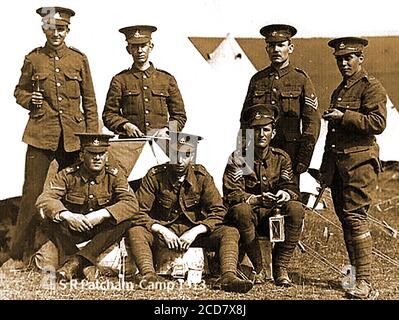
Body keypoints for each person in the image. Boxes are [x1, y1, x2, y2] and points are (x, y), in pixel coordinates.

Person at [6, 6, 99, 268]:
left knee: (74, 193)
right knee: (31, 195)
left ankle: (72, 255)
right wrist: (28, 99)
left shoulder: (78, 59)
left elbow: (90, 102)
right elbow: (19, 91)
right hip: (40, 135)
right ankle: (17, 256)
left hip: (73, 138)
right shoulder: (34, 59)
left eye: (61, 29)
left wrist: (91, 141)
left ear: (68, 30)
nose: (55, 33)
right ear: (43, 29)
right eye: (51, 28)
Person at [127, 132, 253, 293]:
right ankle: (149, 276)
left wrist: (197, 230)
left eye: (186, 155)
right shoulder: (155, 176)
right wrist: (160, 229)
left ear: (192, 155)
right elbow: (137, 212)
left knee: (230, 232)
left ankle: (228, 276)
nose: (180, 161)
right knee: (136, 231)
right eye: (175, 154)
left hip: (196, 234)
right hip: (165, 234)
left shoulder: (201, 176)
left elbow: (219, 211)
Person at [319, 37, 387, 299]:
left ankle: (365, 283)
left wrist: (344, 116)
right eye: (339, 59)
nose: (344, 63)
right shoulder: (340, 91)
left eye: (349, 58)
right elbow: (332, 135)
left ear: (361, 59)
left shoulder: (372, 87)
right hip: (339, 166)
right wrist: (326, 170)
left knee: (356, 218)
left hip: (360, 163)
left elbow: (378, 123)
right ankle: (354, 278)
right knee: (346, 220)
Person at [35, 133, 138, 281]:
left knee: (125, 221)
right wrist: (67, 215)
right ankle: (84, 264)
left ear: (107, 156)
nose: (97, 158)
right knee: (48, 220)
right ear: (82, 155)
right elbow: (45, 199)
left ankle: (74, 263)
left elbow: (131, 203)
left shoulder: (115, 175)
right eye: (92, 153)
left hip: (100, 233)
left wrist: (102, 214)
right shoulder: (68, 174)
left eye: (101, 154)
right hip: (74, 230)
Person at [224, 104, 305, 286]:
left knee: (295, 208)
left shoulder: (281, 158)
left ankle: (280, 268)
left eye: (266, 129)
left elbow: (291, 185)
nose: (261, 134)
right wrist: (256, 199)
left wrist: (285, 193)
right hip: (247, 219)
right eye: (257, 130)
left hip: (273, 216)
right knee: (241, 210)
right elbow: (232, 193)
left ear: (273, 133)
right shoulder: (238, 158)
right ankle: (259, 268)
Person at [240, 24, 320, 185]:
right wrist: (246, 158)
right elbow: (245, 121)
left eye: (281, 45)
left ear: (290, 48)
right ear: (266, 49)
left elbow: (312, 123)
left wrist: (304, 158)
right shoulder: (257, 80)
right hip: (259, 155)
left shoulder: (301, 79)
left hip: (289, 153)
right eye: (271, 45)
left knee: (288, 201)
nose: (276, 49)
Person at [102, 25, 186, 139]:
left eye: (143, 46)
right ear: (128, 49)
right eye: (135, 47)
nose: (139, 51)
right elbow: (109, 114)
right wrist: (125, 125)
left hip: (161, 144)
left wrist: (167, 130)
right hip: (131, 146)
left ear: (151, 47)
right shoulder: (120, 80)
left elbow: (179, 116)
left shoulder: (166, 80)